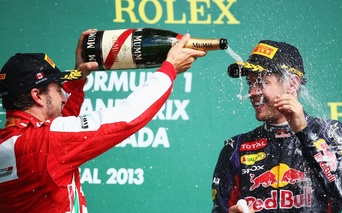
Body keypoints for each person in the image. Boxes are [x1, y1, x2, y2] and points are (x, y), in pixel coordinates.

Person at [0, 29, 206, 213]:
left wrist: (77, 80)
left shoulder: (14, 143)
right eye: (57, 89)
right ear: (37, 96)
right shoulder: (45, 143)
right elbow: (128, 116)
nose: (63, 97)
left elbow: (56, 131)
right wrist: (169, 69)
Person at [211, 40, 342, 213]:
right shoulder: (236, 147)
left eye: (261, 82)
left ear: (292, 84)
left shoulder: (331, 133)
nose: (252, 92)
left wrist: (304, 132)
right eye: (250, 83)